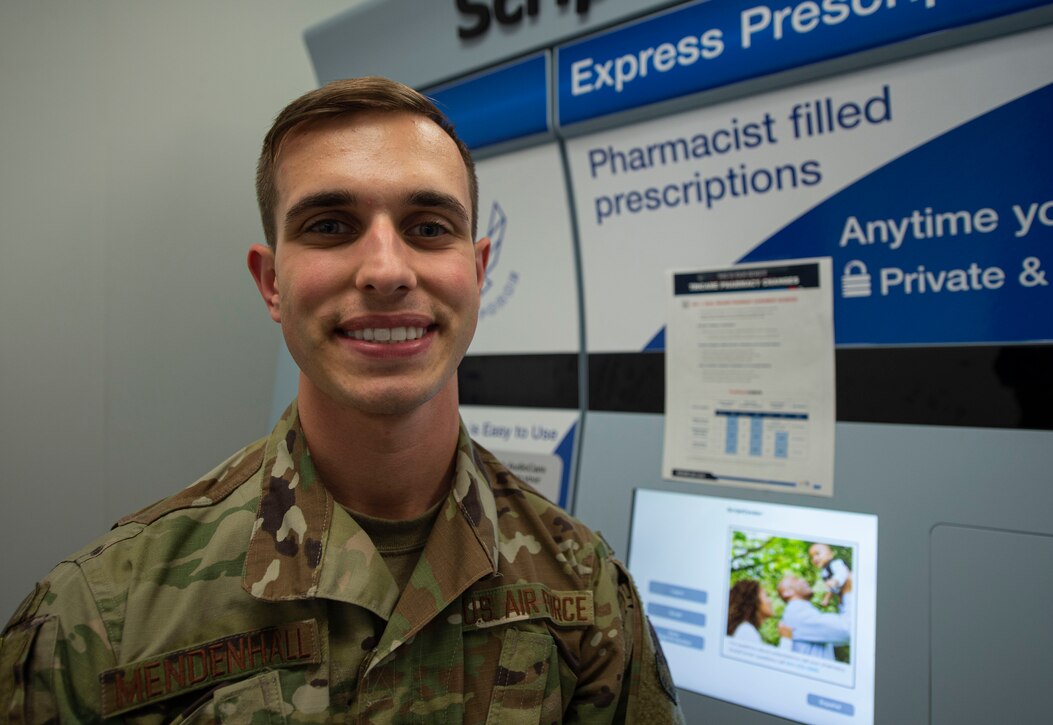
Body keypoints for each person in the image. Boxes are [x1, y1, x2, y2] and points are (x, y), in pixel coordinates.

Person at [0, 77, 684, 723]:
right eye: (329, 225)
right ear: (271, 282)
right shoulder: (102, 618)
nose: (386, 270)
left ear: (476, 273)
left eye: (428, 226)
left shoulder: (584, 592)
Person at [776, 572, 853, 660]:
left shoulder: (802, 612)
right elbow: (848, 630)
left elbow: (838, 636)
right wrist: (848, 593)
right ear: (787, 593)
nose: (803, 580)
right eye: (796, 580)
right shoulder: (796, 612)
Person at [724, 580, 775, 645]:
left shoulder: (745, 629)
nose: (770, 601)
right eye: (766, 596)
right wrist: (786, 640)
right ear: (754, 601)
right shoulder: (746, 631)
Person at [808, 543, 851, 607]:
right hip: (842, 599)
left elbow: (842, 572)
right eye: (812, 557)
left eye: (817, 554)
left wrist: (835, 581)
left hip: (849, 594)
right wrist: (826, 599)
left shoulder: (835, 563)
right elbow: (830, 588)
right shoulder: (824, 572)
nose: (815, 558)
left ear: (830, 554)